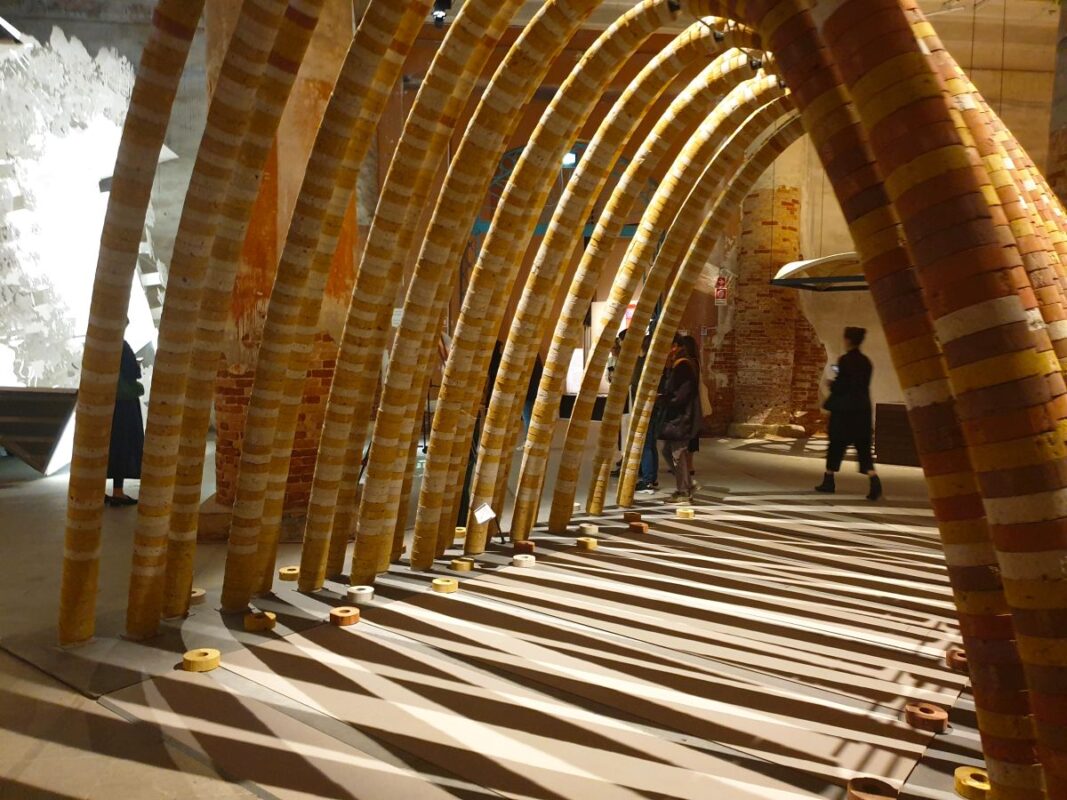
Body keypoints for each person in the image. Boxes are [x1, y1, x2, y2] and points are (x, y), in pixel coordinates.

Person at [816, 326, 882, 501]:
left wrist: (832, 384)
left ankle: (829, 480)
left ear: (848, 340)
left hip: (845, 412)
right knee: (863, 449)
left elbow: (843, 386)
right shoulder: (866, 362)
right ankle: (874, 481)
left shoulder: (845, 360)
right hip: (862, 411)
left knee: (836, 446)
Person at [658, 334, 702, 503]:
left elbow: (680, 396)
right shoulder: (679, 363)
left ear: (674, 346)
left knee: (677, 453)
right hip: (680, 416)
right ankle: (687, 485)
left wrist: (661, 399)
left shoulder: (683, 365)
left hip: (682, 417)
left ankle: (683, 491)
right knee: (668, 450)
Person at [107, 337, 144, 506]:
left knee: (108, 445)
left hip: (105, 402)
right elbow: (132, 371)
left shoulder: (100, 344)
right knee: (123, 444)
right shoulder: (121, 344)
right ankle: (118, 491)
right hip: (124, 402)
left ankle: (98, 488)